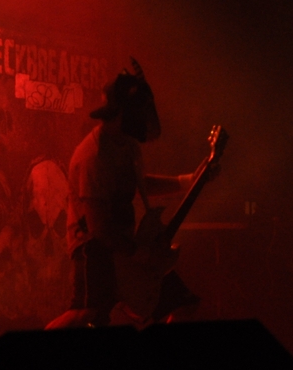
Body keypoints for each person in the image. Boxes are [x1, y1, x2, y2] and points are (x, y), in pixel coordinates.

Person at [46, 60, 217, 329]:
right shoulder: (93, 157)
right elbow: (99, 228)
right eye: (138, 110)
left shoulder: (127, 145)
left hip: (127, 246)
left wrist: (187, 181)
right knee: (85, 313)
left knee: (183, 302)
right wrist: (143, 255)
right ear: (120, 114)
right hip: (94, 249)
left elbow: (138, 183)